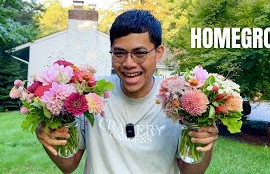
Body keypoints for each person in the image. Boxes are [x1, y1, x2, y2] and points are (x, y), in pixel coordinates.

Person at [36, 9, 218, 174]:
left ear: (159, 52)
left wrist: (205, 142)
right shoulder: (90, 93)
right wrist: (48, 138)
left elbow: (190, 171)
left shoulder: (179, 99)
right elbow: (69, 165)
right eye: (119, 53)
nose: (129, 63)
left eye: (140, 53)